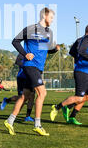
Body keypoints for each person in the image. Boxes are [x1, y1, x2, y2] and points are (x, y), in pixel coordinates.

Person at [4, 8, 59, 136]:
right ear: (44, 16)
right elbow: (15, 41)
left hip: (38, 68)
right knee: (42, 93)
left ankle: (9, 121)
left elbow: (45, 49)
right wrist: (25, 53)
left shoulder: (49, 32)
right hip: (30, 66)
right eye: (51, 17)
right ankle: (38, 125)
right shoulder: (30, 29)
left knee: (25, 96)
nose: (52, 20)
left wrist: (54, 49)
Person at [50, 23, 88, 129]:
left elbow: (73, 52)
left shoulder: (83, 40)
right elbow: (81, 51)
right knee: (80, 97)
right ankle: (57, 107)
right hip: (82, 72)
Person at [0, 54, 36, 122]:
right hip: (22, 78)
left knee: (32, 97)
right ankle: (7, 100)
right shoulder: (22, 53)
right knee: (22, 97)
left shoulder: (34, 52)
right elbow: (18, 62)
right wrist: (28, 61)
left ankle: (27, 116)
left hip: (31, 77)